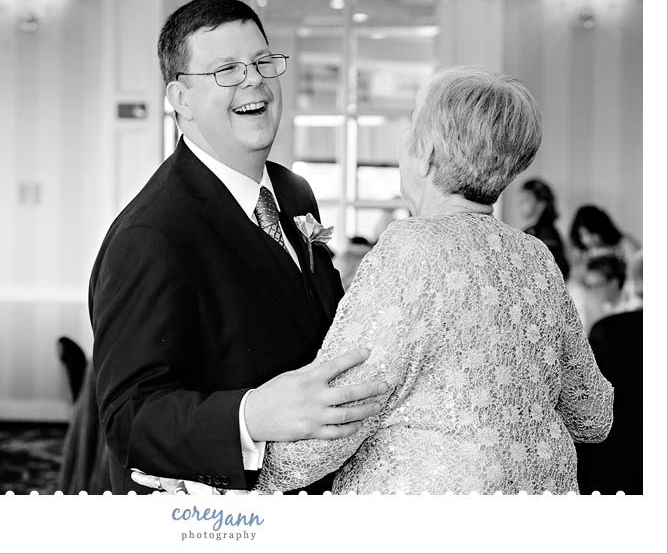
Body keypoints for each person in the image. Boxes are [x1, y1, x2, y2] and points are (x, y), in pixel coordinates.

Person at [253, 66, 614, 494]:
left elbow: (343, 406)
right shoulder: (536, 257)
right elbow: (593, 414)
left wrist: (249, 471)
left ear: (424, 153)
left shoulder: (410, 248)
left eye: (411, 125)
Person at [89, 0, 387, 495]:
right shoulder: (151, 235)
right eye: (226, 70)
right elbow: (129, 420)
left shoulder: (293, 192)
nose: (254, 81)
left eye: (262, 62)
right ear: (181, 98)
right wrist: (251, 415)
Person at [576, 251, 643, 494]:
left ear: (616, 282)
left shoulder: (609, 328)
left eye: (596, 286)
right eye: (587, 286)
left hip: (618, 436)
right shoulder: (600, 324)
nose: (591, 293)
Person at [516, 178, 570, 279]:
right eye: (520, 200)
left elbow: (556, 269)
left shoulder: (547, 233)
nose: (520, 203)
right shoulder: (530, 231)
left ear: (541, 202)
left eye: (526, 200)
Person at [568, 205, 640, 271]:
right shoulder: (581, 253)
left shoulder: (625, 244)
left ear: (603, 229)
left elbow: (637, 271)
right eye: (581, 235)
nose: (587, 240)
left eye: (592, 233)